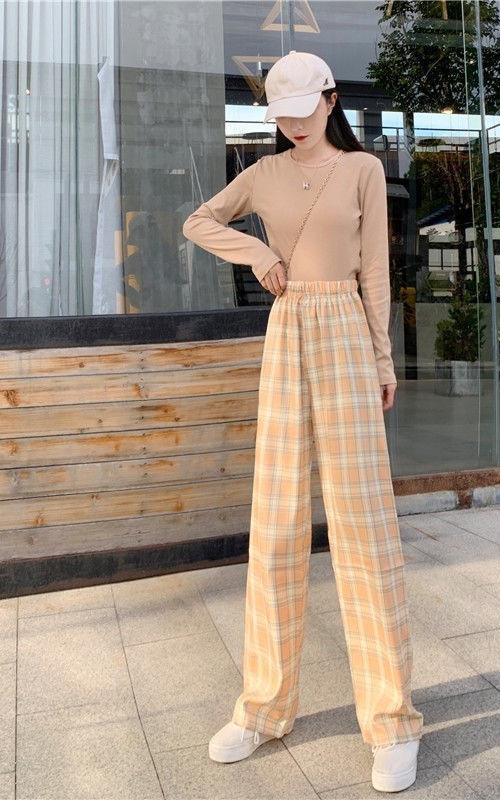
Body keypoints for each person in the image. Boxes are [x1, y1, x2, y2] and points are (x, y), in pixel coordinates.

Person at [182, 50, 423, 793]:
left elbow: (375, 271)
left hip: (347, 329)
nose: (292, 125)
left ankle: (391, 720)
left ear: (330, 100)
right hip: (287, 332)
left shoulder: (363, 170)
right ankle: (263, 707)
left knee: (364, 524)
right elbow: (198, 221)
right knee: (278, 519)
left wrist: (383, 359)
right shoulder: (261, 175)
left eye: (302, 110)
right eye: (280, 115)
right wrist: (255, 251)